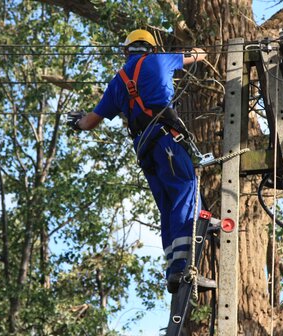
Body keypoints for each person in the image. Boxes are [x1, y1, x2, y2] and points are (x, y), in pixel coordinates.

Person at [66, 29, 215, 294]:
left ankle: (174, 268)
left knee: (168, 206)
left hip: (145, 150)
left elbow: (89, 123)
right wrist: (202, 49)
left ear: (126, 51)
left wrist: (77, 122)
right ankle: (183, 267)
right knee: (184, 190)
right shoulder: (159, 59)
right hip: (168, 140)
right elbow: (200, 55)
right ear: (150, 47)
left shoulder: (117, 83)